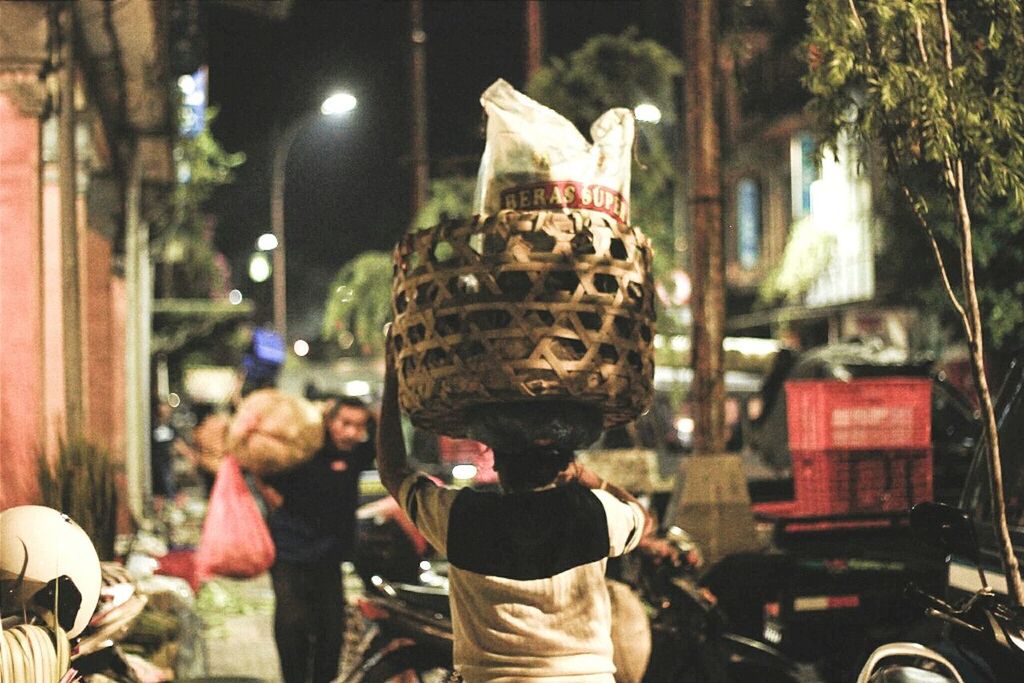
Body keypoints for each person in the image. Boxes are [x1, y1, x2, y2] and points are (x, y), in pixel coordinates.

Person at [377, 332, 650, 682]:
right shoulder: (595, 513)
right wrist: (590, 478)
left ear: (497, 464)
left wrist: (391, 375)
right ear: (564, 465)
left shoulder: (461, 517)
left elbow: (392, 471)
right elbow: (643, 518)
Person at [259, 396, 376, 683]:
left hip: (330, 556)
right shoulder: (303, 449)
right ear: (329, 422)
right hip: (290, 552)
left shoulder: (357, 454)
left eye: (358, 426)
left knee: (330, 631)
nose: (351, 432)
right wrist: (268, 493)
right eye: (345, 423)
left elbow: (384, 444)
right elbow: (258, 463)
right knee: (292, 625)